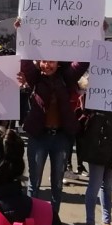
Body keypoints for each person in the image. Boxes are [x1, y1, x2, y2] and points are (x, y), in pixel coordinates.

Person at [19, 58, 87, 213]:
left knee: (57, 184)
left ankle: (53, 218)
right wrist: (23, 34)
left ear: (59, 63)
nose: (47, 65)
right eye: (43, 61)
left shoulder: (67, 77)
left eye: (51, 62)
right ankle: (33, 218)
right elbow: (25, 61)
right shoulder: (35, 77)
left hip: (61, 138)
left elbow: (82, 63)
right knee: (34, 183)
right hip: (38, 138)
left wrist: (97, 34)